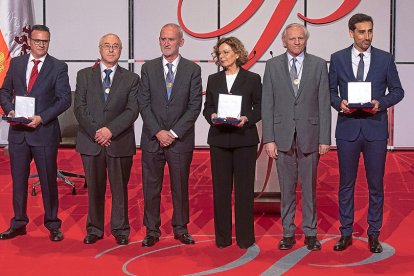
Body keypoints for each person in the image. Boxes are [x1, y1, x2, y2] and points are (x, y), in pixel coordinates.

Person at [330, 13, 404, 253]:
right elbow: (330, 91)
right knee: (346, 185)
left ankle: (374, 234)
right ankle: (345, 233)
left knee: (375, 185)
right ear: (351, 32)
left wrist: (380, 103)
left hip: (375, 130)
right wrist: (338, 102)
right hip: (347, 129)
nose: (367, 37)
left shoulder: (385, 59)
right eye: (361, 32)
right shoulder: (337, 58)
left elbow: (398, 91)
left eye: (370, 31)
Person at [262, 23, 331, 251]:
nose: (297, 42)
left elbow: (323, 104)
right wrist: (269, 139)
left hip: (310, 136)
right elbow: (267, 105)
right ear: (284, 41)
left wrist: (324, 138)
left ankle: (311, 233)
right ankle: (288, 232)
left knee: (309, 188)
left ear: (306, 40)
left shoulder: (319, 65)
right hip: (281, 138)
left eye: (301, 38)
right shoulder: (272, 66)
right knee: (287, 188)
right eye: (292, 38)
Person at [0, 25, 71, 242]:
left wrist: (42, 117)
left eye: (45, 41)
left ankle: (52, 223)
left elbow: (64, 99)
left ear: (49, 42)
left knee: (48, 180)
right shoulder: (17, 63)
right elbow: (3, 91)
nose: (41, 44)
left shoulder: (58, 66)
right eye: (37, 40)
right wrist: (9, 109)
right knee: (19, 180)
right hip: (19, 132)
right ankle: (19, 222)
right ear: (29, 41)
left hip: (44, 132)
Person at [138, 23, 202, 247]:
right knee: (151, 187)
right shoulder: (148, 68)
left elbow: (195, 107)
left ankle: (181, 228)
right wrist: (158, 131)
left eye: (171, 39)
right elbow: (143, 103)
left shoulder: (193, 70)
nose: (166, 43)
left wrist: (173, 133)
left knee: (180, 186)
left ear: (181, 42)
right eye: (163, 39)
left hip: (179, 141)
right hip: (152, 139)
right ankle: (152, 230)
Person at [74, 33, 140, 245]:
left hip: (118, 141)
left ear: (120, 50)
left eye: (115, 46)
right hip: (91, 141)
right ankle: (94, 228)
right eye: (107, 46)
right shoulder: (84, 75)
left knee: (119, 189)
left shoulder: (131, 78)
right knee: (94, 187)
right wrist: (98, 132)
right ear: (99, 49)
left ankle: (120, 230)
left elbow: (132, 110)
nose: (111, 50)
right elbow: (80, 108)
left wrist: (110, 131)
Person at [203, 37, 261, 249]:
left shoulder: (252, 78)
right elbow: (207, 107)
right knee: (221, 191)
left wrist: (247, 118)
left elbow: (260, 107)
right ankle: (223, 238)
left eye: (226, 52)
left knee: (244, 191)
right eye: (220, 53)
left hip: (244, 140)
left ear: (237, 53)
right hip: (219, 139)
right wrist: (212, 115)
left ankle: (245, 238)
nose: (223, 56)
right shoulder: (213, 79)